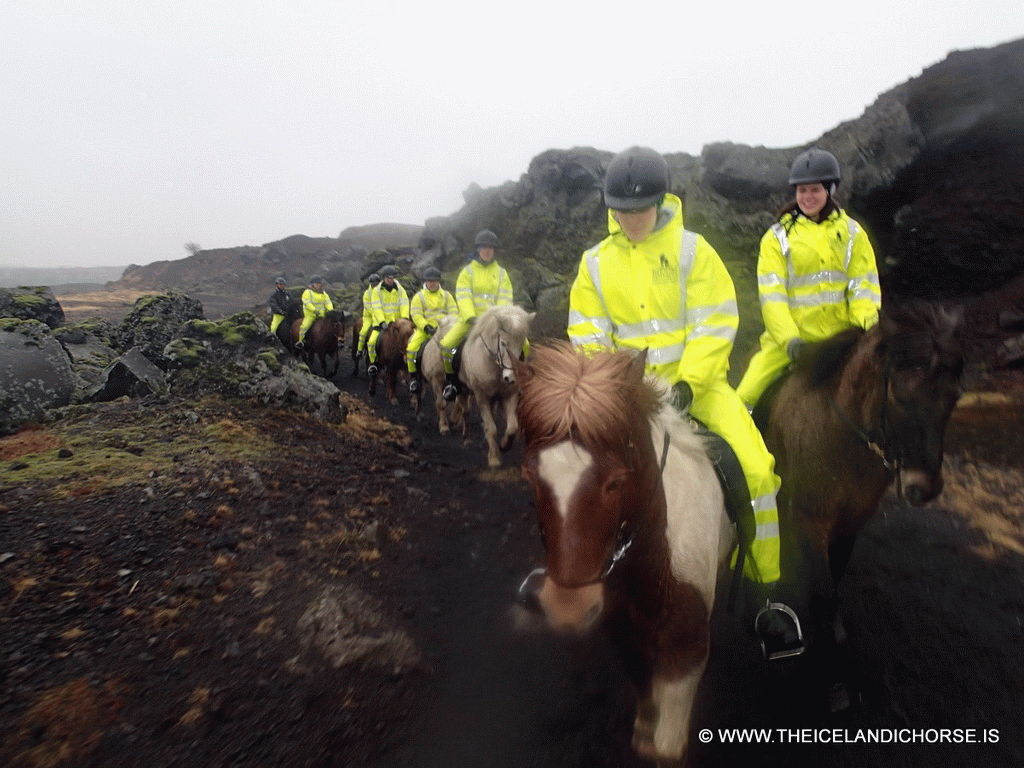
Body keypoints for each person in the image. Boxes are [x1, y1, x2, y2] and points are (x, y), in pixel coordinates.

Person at [567, 146, 801, 658]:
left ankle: (768, 597)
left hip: (700, 389)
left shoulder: (696, 252)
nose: (631, 220)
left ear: (662, 201)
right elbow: (587, 332)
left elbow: (715, 322)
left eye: (641, 209)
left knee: (757, 473)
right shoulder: (595, 265)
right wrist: (614, 390)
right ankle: (569, 574)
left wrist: (690, 382)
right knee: (567, 468)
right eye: (622, 211)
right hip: (628, 398)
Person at [736, 148, 882, 408]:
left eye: (814, 190)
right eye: (802, 190)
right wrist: (791, 341)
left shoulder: (853, 234)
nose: (807, 197)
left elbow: (864, 289)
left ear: (830, 190)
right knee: (745, 396)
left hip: (842, 341)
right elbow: (773, 299)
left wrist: (868, 329)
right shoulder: (776, 238)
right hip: (790, 345)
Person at [439, 229, 515, 401]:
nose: (487, 251)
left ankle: (518, 381)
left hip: (495, 322)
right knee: (448, 345)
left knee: (523, 344)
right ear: (478, 250)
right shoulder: (467, 272)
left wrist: (499, 319)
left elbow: (505, 297)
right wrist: (470, 316)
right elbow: (463, 295)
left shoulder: (502, 273)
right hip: (471, 320)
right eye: (484, 248)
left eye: (490, 248)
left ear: (494, 251)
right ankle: (452, 383)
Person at [407, 266, 457, 393]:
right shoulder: (419, 296)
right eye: (430, 281)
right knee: (412, 348)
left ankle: (455, 377)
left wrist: (448, 325)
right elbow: (416, 314)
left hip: (445, 328)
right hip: (426, 329)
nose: (432, 283)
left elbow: (454, 312)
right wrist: (425, 326)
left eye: (435, 281)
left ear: (439, 282)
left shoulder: (447, 296)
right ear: (425, 282)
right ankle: (414, 378)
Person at [366, 265, 410, 377]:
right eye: (388, 277)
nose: (390, 279)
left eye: (392, 277)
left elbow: (404, 304)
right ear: (384, 278)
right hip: (382, 323)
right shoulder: (377, 291)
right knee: (371, 342)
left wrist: (403, 320)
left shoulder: (401, 290)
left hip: (397, 323)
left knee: (408, 339)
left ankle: (410, 362)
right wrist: (382, 322)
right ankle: (374, 364)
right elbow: (377, 307)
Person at [294, 276, 332, 350]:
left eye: (319, 283)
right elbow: (307, 303)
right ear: (312, 284)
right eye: (316, 283)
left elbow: (328, 302)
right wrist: (314, 310)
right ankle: (301, 341)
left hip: (322, 314)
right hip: (311, 315)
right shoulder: (307, 292)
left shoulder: (323, 293)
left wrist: (330, 310)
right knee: (305, 326)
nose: (318, 285)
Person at [355, 273, 381, 363]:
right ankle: (360, 349)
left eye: (376, 284)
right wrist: (376, 314)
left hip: (381, 316)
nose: (375, 286)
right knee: (364, 331)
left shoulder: (382, 291)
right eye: (373, 284)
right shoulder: (367, 293)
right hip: (369, 316)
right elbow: (368, 306)